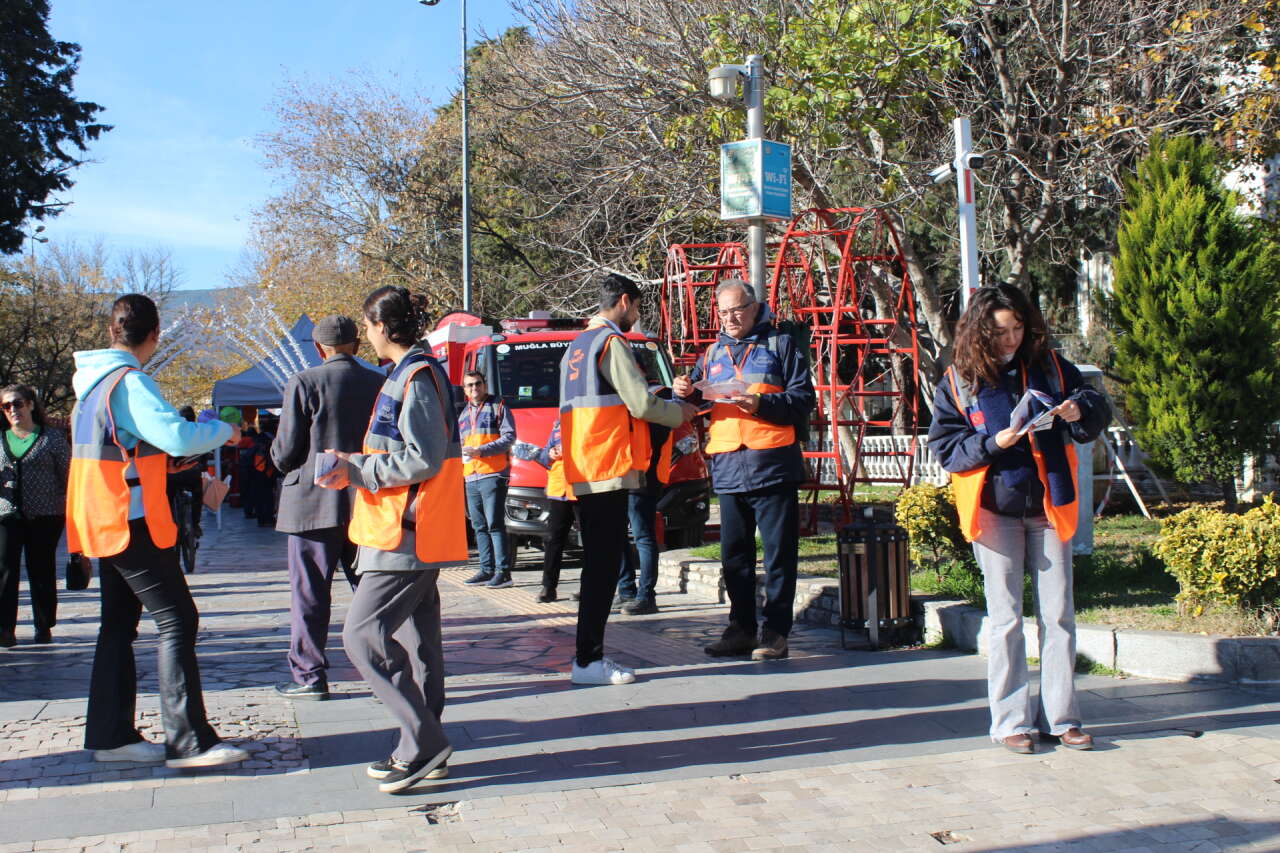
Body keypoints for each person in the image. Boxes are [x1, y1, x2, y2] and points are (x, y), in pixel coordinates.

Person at [927, 283, 1111, 755]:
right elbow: (948, 449)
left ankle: (1062, 719)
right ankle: (1010, 722)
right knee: (1006, 618)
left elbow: (1094, 405)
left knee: (1058, 616)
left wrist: (1078, 408)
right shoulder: (959, 380)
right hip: (993, 508)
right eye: (999, 332)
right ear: (978, 332)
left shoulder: (1049, 364)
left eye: (1017, 329)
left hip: (1050, 505)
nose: (1010, 340)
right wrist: (996, 443)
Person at [68, 293, 248, 769]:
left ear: (112, 331)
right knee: (177, 620)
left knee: (117, 628)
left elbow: (133, 450)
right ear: (154, 334)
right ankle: (188, 743)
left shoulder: (90, 389)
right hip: (132, 521)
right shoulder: (130, 383)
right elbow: (176, 436)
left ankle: (110, 736)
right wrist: (221, 435)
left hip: (105, 519)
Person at [319, 285, 465, 794]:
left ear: (384, 327)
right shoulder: (409, 374)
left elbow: (421, 458)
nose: (368, 334)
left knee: (362, 636)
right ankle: (423, 746)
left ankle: (424, 743)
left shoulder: (416, 376)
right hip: (409, 529)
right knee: (418, 641)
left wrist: (355, 468)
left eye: (370, 324)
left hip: (405, 532)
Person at [558, 273, 695, 686]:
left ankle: (588, 658)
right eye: (636, 307)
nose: (637, 315)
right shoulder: (612, 343)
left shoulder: (577, 347)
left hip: (584, 465)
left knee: (597, 565)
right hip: (609, 466)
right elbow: (639, 403)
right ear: (623, 301)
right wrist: (679, 413)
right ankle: (589, 661)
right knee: (602, 567)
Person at [674, 278, 815, 661]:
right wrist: (683, 393)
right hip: (728, 465)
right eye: (723, 312)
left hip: (772, 462)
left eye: (737, 309)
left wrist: (760, 405)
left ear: (755, 308)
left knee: (778, 554)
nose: (730, 318)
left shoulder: (781, 345)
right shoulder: (713, 352)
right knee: (733, 556)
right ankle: (740, 628)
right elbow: (698, 405)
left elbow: (803, 400)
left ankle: (775, 633)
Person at [270, 315, 383, 701]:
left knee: (309, 595)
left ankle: (310, 676)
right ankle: (382, 671)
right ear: (357, 344)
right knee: (370, 592)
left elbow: (285, 452)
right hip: (365, 501)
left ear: (319, 349)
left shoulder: (303, 382)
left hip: (311, 505)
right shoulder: (378, 383)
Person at [0, 384, 70, 647]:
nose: (13, 410)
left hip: (46, 515)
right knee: (5, 569)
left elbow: (68, 476)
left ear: (30, 404)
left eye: (17, 403)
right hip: (6, 515)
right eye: (6, 406)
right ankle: (5, 629)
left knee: (41, 569)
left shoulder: (51, 438)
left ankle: (43, 625)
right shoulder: (0, 439)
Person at [458, 371, 516, 588]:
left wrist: (481, 451)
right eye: (469, 386)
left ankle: (504, 572)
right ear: (464, 390)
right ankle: (486, 569)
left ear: (485, 384)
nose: (474, 389)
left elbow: (509, 437)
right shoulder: (463, 415)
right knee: (478, 525)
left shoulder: (498, 406)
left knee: (494, 524)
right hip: (471, 476)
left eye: (478, 384)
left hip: (493, 473)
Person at [614, 413, 672, 616]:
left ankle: (646, 596)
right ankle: (626, 590)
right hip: (621, 475)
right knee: (617, 535)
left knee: (643, 537)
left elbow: (656, 437)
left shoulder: (658, 397)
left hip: (644, 478)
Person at [535, 418, 574, 603]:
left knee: (591, 541)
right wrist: (550, 454)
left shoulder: (588, 418)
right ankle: (548, 587)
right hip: (559, 490)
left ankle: (589, 586)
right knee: (553, 539)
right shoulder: (558, 424)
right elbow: (543, 457)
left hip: (584, 487)